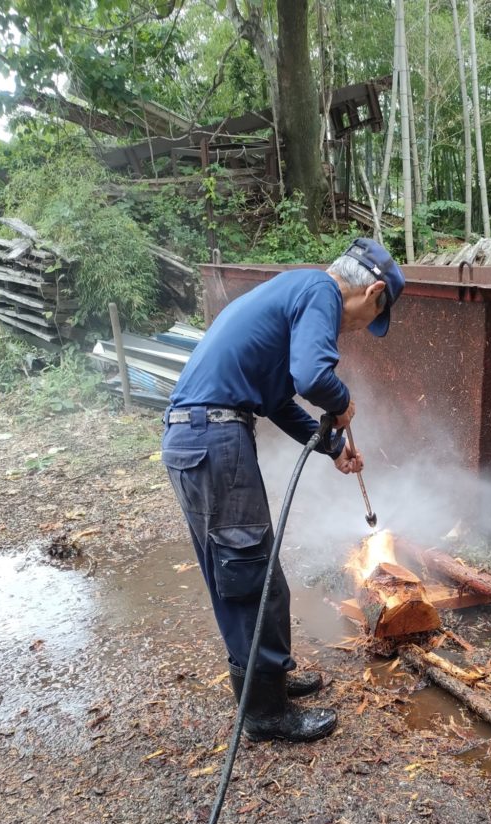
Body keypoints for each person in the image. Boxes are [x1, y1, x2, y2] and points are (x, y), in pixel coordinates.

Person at [162, 238, 405, 743]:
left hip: (201, 437)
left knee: (246, 572)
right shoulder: (322, 291)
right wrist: (342, 400)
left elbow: (278, 401)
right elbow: (312, 377)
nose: (361, 328)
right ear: (373, 291)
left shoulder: (295, 290)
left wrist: (333, 446)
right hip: (212, 437)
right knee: (251, 577)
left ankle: (267, 681)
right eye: (372, 318)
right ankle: (266, 714)